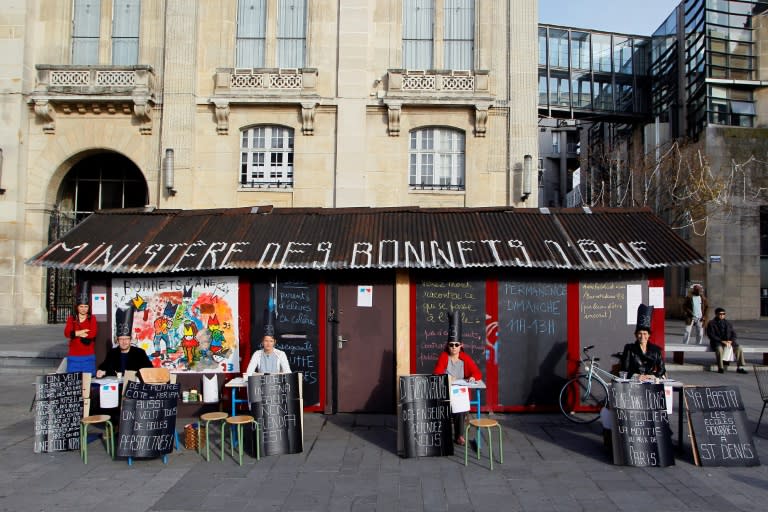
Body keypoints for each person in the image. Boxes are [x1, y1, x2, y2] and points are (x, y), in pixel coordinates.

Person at [433, 311, 482, 446]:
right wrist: (447, 377)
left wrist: (472, 377)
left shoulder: (465, 358)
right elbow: (436, 373)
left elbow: (478, 373)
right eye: (451, 345)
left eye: (456, 345)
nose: (453, 348)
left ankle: (459, 435)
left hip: (460, 393)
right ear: (447, 346)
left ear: (461, 345)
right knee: (445, 405)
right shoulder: (444, 357)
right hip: (445, 391)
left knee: (460, 408)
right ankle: (444, 434)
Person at [96, 306, 152, 377]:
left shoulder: (139, 353)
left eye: (126, 339)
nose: (124, 342)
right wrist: (101, 371)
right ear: (117, 340)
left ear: (130, 339)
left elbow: (149, 369)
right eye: (121, 339)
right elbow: (103, 367)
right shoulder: (112, 353)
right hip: (116, 385)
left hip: (133, 385)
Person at [620, 304, 666, 381]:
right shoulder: (629, 349)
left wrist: (651, 376)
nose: (642, 336)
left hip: (650, 381)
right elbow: (624, 369)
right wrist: (637, 376)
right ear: (636, 335)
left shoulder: (655, 350)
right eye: (639, 334)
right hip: (634, 382)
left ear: (649, 335)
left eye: (645, 334)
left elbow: (662, 370)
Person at [64, 282, 98, 375]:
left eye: (86, 306)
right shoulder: (72, 318)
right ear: (77, 307)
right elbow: (67, 333)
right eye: (81, 306)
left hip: (88, 356)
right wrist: (82, 332)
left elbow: (92, 334)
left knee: (89, 383)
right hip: (73, 356)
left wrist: (75, 333)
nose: (84, 309)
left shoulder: (92, 318)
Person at [244, 308, 291, 374]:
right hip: (261, 383)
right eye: (266, 341)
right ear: (262, 342)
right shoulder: (257, 354)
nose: (268, 343)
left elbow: (288, 372)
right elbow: (249, 372)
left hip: (276, 382)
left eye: (271, 341)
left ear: (274, 342)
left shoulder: (281, 354)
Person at [706, 307, 747, 374]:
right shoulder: (711, 323)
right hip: (718, 342)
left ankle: (740, 367)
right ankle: (720, 367)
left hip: (728, 342)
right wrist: (722, 341)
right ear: (716, 314)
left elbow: (734, 334)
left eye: (723, 314)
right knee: (719, 349)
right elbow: (711, 335)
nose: (722, 315)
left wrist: (731, 341)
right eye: (720, 314)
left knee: (739, 348)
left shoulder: (728, 323)